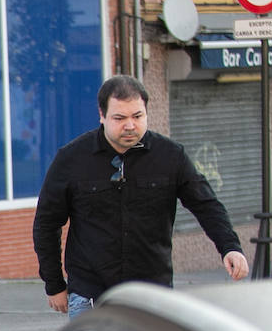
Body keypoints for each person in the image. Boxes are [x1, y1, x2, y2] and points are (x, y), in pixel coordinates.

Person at [33, 74, 249, 318]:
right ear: (102, 116)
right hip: (91, 295)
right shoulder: (71, 159)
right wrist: (54, 284)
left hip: (154, 294)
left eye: (137, 116)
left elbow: (206, 205)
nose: (130, 125)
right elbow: (47, 223)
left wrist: (230, 247)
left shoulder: (170, 156)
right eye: (119, 118)